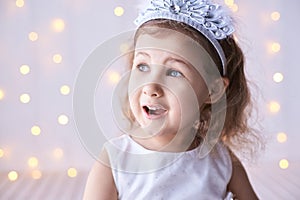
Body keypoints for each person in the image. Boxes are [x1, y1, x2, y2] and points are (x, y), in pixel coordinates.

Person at [83, 0, 263, 199]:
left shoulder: (220, 159)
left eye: (174, 73)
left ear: (213, 90)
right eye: (143, 66)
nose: (151, 87)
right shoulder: (116, 160)